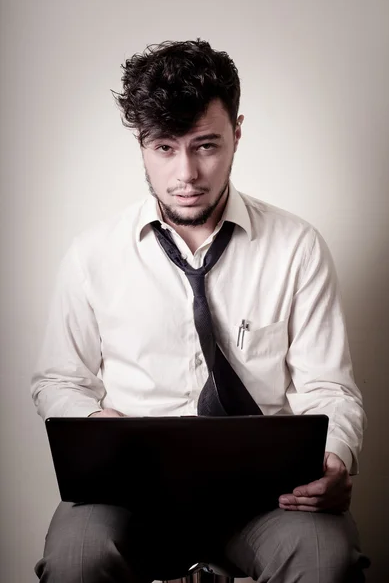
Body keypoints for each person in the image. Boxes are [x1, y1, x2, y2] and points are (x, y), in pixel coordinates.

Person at [31, 39, 370, 582]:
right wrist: (97, 423)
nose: (186, 173)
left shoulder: (297, 247)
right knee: (76, 559)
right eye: (164, 147)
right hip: (129, 494)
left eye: (205, 145)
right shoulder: (92, 254)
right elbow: (57, 379)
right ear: (141, 145)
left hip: (267, 499)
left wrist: (335, 457)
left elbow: (329, 388)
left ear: (237, 133)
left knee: (325, 557)